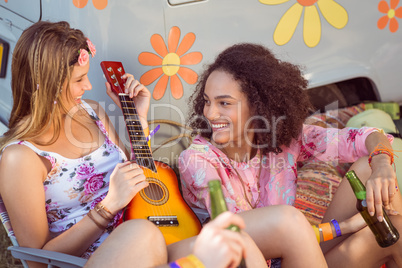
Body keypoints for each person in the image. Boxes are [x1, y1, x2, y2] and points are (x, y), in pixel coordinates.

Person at [0, 21, 268, 268]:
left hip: (149, 240)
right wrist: (108, 207)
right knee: (142, 233)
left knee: (239, 239)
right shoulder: (20, 158)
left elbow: (136, 174)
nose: (89, 85)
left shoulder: (90, 112)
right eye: (78, 80)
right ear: (44, 85)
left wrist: (138, 117)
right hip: (96, 259)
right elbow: (37, 258)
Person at [178, 43, 402, 267]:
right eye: (207, 101)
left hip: (295, 252)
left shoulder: (283, 141)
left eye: (224, 103)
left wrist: (382, 164)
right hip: (254, 258)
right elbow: (245, 237)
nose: (210, 113)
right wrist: (345, 228)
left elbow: (363, 138)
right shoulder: (198, 161)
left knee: (376, 184)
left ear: (258, 106)